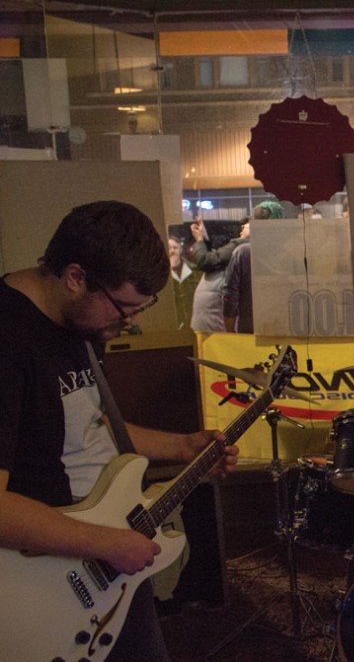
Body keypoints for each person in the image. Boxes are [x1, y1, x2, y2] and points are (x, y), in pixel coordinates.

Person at [0, 200, 239, 661]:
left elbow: (92, 421)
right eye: (124, 309)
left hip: (108, 559)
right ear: (75, 277)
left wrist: (182, 446)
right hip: (47, 577)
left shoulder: (80, 323)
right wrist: (106, 543)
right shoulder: (9, 340)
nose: (131, 321)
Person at [223, 200, 281, 333]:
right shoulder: (292, 253)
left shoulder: (243, 253)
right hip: (284, 332)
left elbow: (229, 297)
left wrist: (230, 334)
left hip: (251, 334)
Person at [189, 214, 246, 332]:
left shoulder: (238, 251)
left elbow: (207, 261)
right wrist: (204, 238)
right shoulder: (219, 271)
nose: (242, 230)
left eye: (246, 226)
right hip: (210, 332)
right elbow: (212, 260)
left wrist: (200, 241)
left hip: (213, 335)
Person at [167, 235, 198, 330]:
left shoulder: (195, 271)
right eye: (169, 248)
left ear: (180, 250)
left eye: (175, 248)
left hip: (196, 325)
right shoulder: (161, 276)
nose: (172, 251)